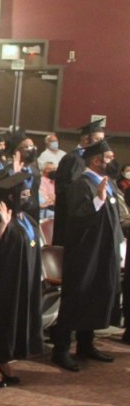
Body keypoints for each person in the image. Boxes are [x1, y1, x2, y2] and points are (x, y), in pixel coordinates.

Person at [49, 139, 120, 371]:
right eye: (109, 158)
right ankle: (60, 350)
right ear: (97, 161)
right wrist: (98, 199)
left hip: (104, 251)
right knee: (76, 298)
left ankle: (85, 344)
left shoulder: (108, 183)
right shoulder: (81, 184)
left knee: (95, 296)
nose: (113, 161)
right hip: (84, 253)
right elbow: (77, 218)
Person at [0, 173, 44, 386]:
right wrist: (3, 226)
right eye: (23, 194)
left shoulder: (27, 219)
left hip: (23, 279)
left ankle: (4, 359)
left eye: (28, 194)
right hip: (2, 281)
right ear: (11, 196)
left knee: (13, 321)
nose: (27, 198)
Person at [52, 119, 105, 246]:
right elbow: (69, 188)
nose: (101, 143)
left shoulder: (87, 158)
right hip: (70, 215)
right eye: (98, 139)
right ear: (86, 139)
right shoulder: (73, 159)